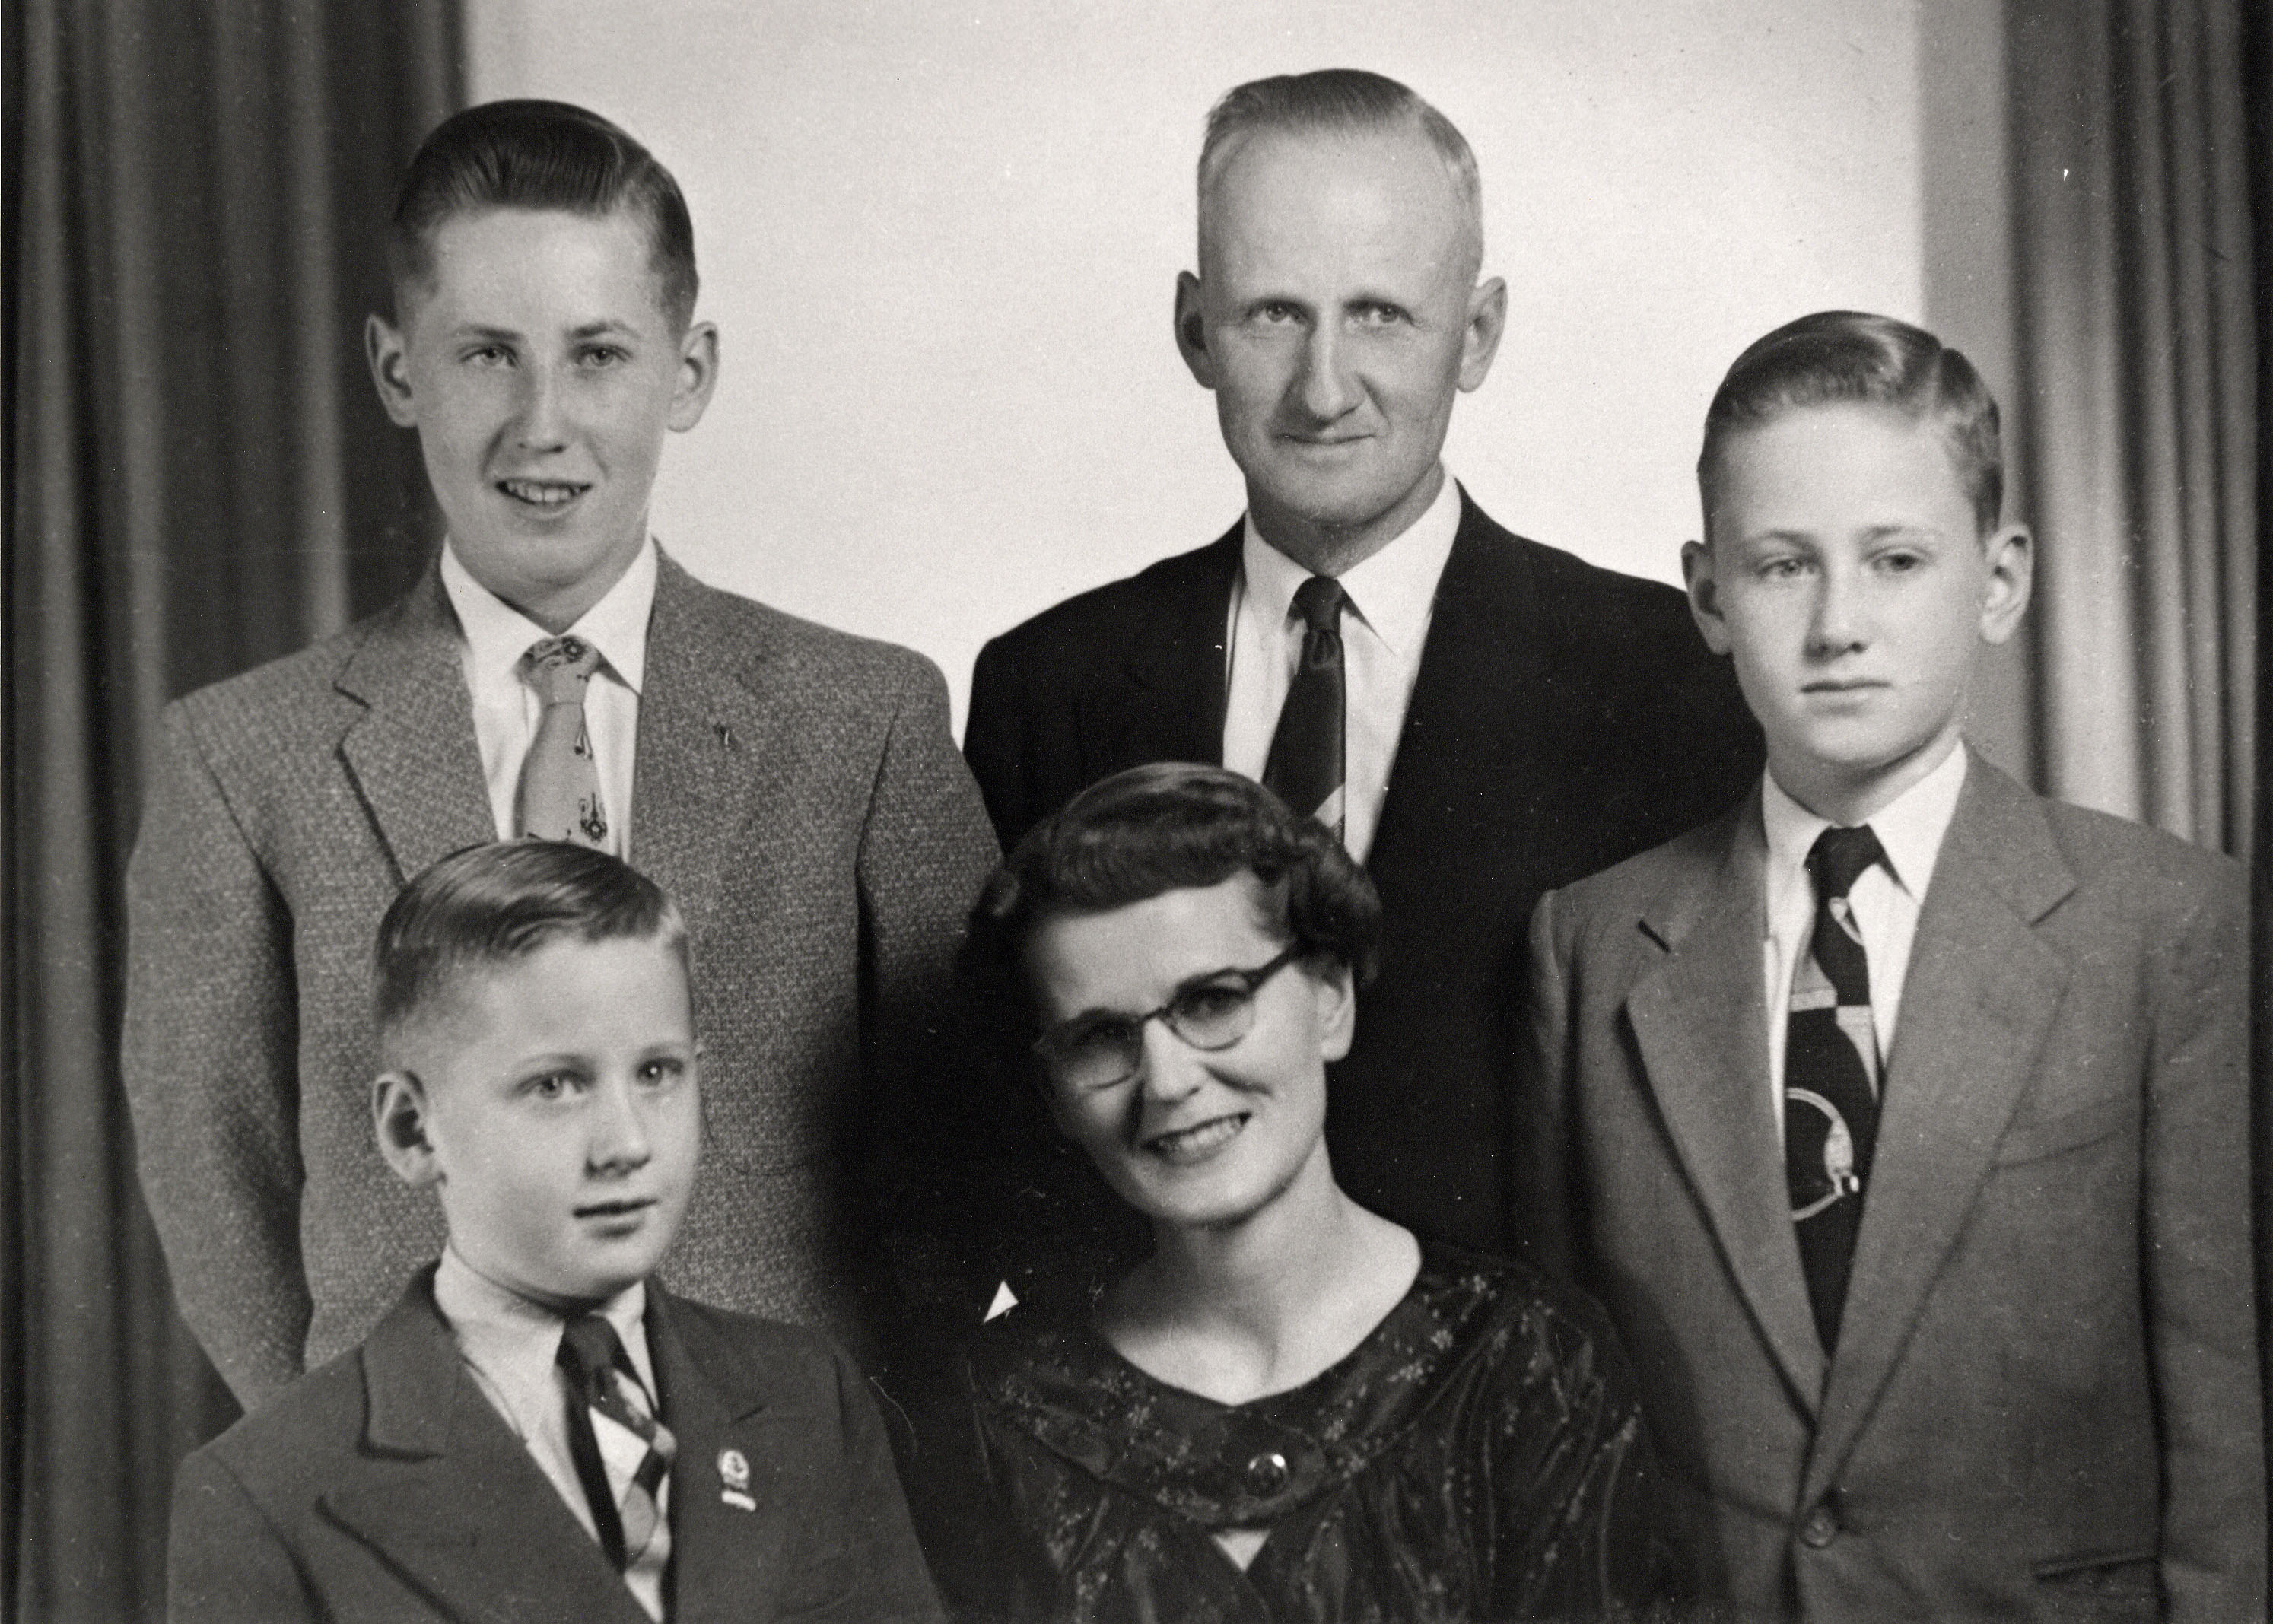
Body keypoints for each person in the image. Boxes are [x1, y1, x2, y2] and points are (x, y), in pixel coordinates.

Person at [122, 100, 997, 1408]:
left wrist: (840, 1435)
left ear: (687, 372)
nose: (542, 423)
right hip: (415, 1480)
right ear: (396, 370)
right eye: (486, 355)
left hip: (786, 1471)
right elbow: (215, 1175)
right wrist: (349, 1452)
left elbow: (965, 1138)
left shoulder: (860, 719)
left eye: (597, 355)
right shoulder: (245, 758)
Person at [1521, 310, 2264, 1616]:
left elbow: (2225, 1439)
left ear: (1999, 579)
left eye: (1897, 560)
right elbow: (1567, 1442)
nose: (1837, 624)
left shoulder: (2165, 926)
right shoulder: (1590, 948)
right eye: (1780, 566)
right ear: (1706, 595)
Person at [962, 70, 1760, 1283]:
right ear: (1194, 329)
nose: (1324, 386)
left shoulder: (1668, 677)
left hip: (1533, 1377)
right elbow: (1000, 1136)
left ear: (1477, 334)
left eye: (1381, 314)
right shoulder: (1047, 686)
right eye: (1272, 314)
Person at [927, 763, 1658, 1622]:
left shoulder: (1534, 1363)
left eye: (1212, 1000)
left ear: (1330, 997)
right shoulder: (1000, 1412)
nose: (1168, 1080)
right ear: (1054, 1093)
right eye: (1099, 1038)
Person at [167, 841, 944, 1624]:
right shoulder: (269, 1490)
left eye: (657, 1072)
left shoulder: (807, 1393)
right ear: (412, 1129)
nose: (627, 1143)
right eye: (555, 1085)